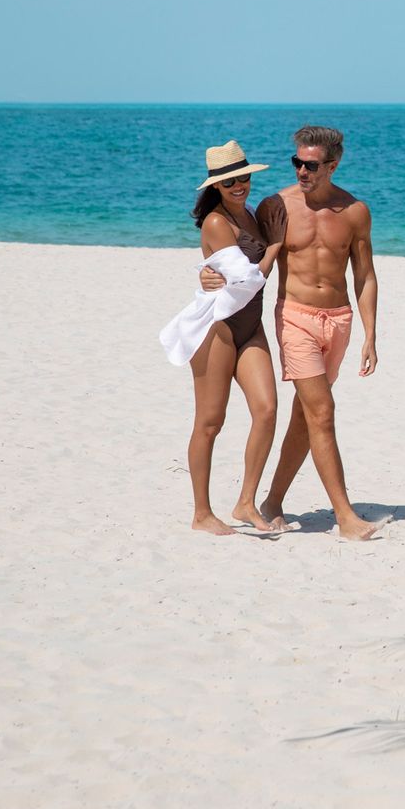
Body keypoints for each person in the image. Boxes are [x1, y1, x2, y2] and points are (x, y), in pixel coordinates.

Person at [205, 124, 382, 540]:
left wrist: (371, 334)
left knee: (307, 415)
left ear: (332, 166)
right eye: (297, 162)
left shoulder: (355, 211)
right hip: (295, 317)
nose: (302, 170)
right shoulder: (275, 206)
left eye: (311, 165)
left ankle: (272, 501)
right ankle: (345, 517)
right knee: (323, 411)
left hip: (338, 319)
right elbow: (240, 256)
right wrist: (208, 277)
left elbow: (366, 276)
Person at [176, 141, 281, 535]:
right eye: (229, 181)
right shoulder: (217, 223)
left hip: (249, 327)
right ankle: (202, 514)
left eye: (244, 177)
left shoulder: (251, 214)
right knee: (209, 422)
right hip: (217, 329)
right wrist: (275, 246)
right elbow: (247, 282)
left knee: (267, 410)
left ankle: (245, 502)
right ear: (215, 186)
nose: (239, 185)